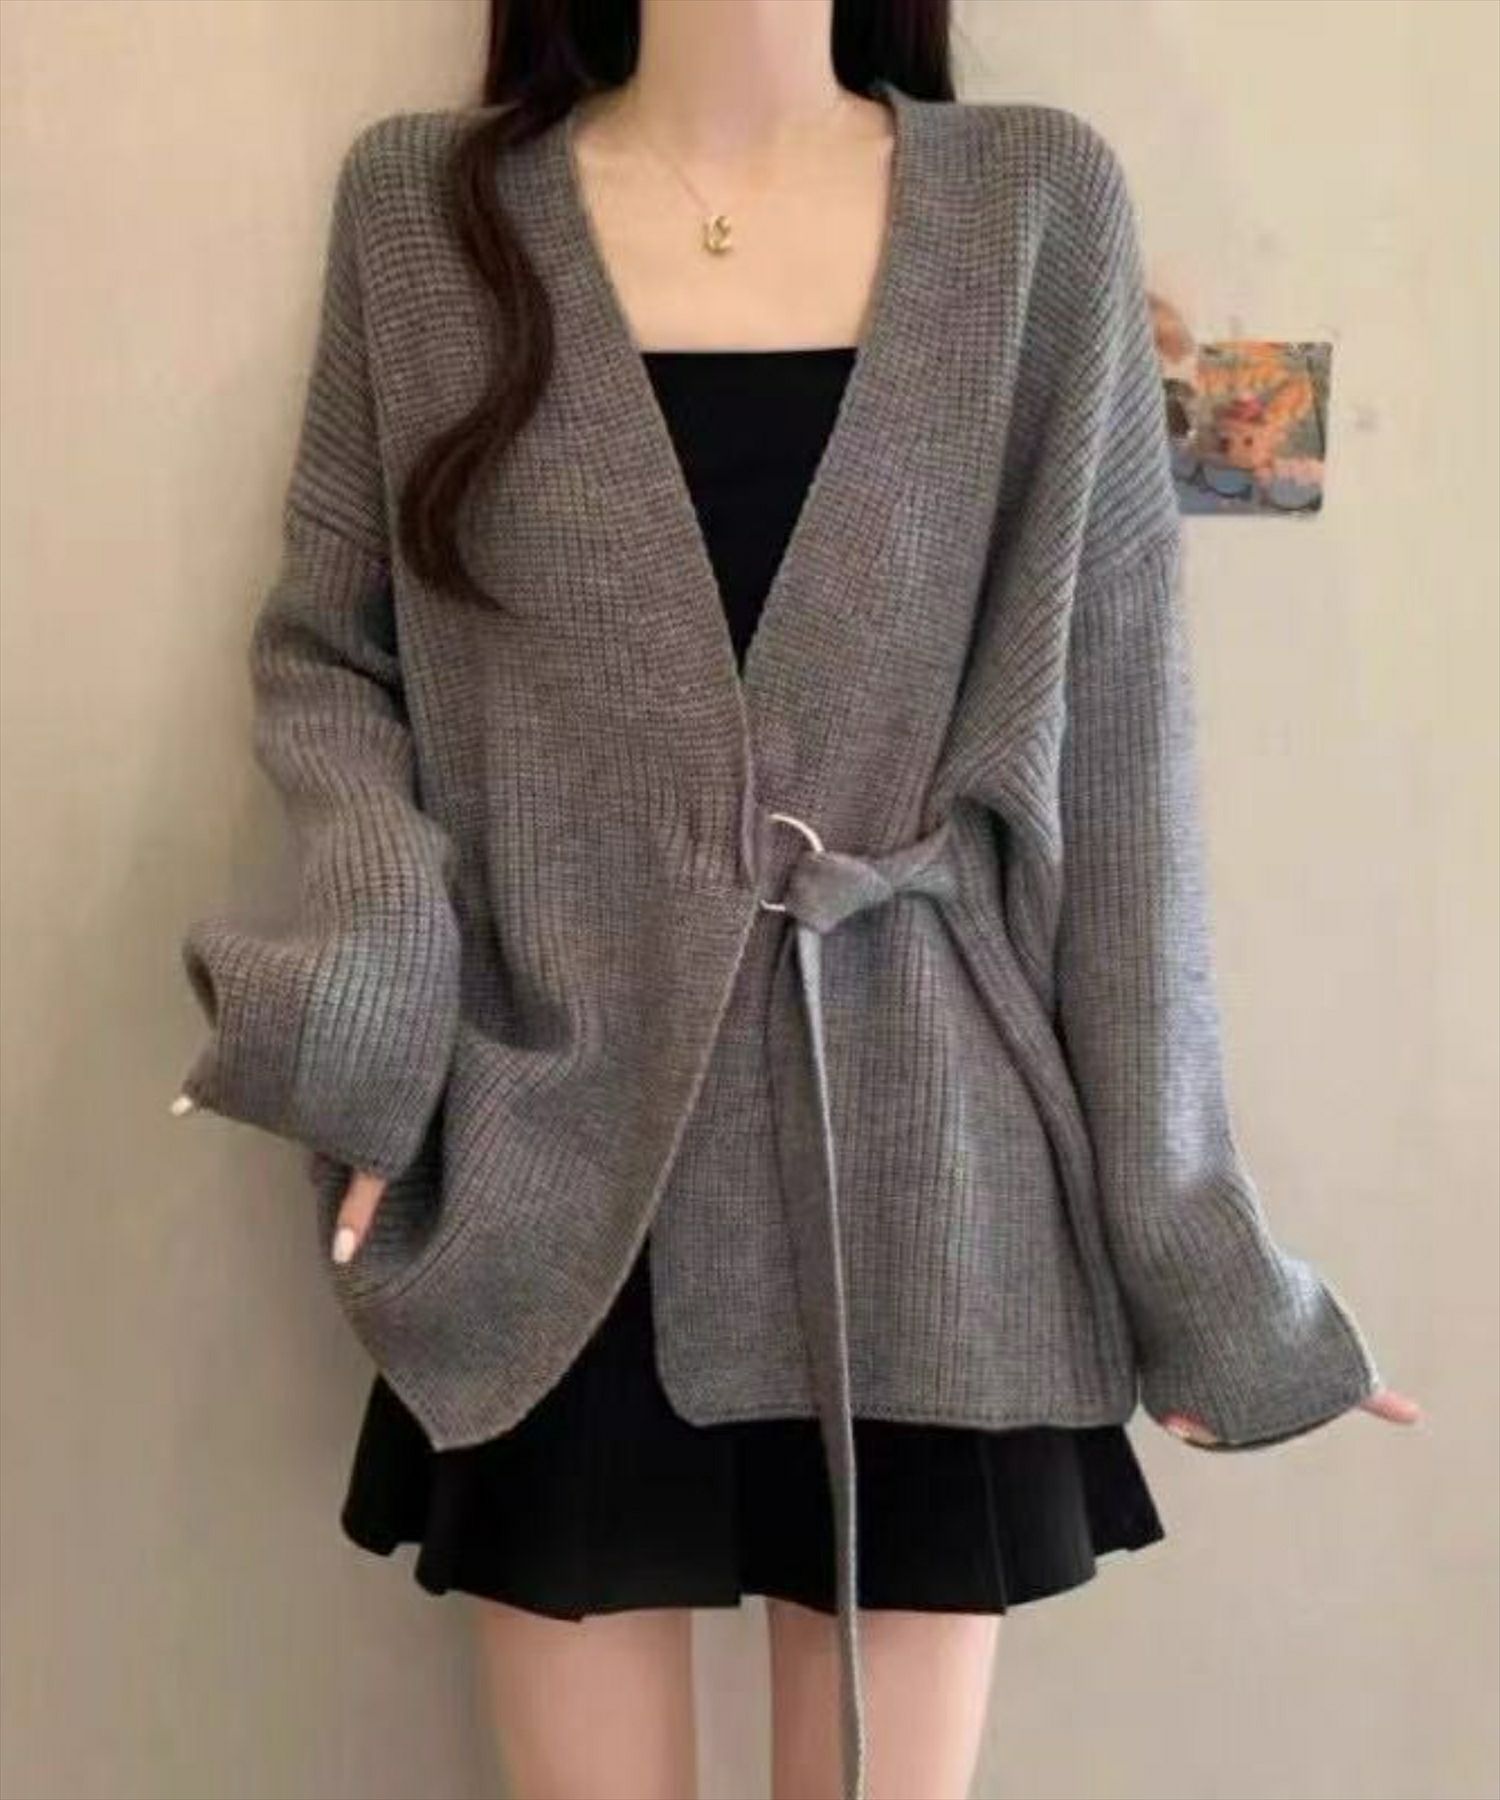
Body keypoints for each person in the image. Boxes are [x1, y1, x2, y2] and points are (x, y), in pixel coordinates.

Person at [171, 5, 1421, 1798]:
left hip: (928, 1170)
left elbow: (1116, 756)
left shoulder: (1036, 206)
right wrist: (375, 985)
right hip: (560, 1155)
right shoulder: (429, 213)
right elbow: (333, 655)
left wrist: (1195, 1251)